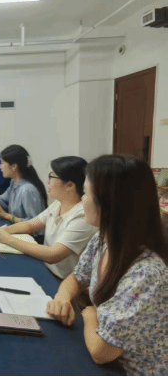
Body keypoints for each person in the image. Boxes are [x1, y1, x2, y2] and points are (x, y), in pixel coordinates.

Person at [47, 155, 168, 375]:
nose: (81, 200)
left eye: (85, 193)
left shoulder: (148, 274)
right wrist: (62, 297)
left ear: (110, 204)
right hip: (103, 349)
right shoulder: (103, 239)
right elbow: (77, 277)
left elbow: (101, 352)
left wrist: (89, 313)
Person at [0, 156, 97, 279]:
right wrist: (2, 230)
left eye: (52, 177)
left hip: (59, 280)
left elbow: (53, 255)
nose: (47, 182)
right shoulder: (58, 204)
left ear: (70, 185)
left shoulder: (82, 216)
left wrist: (7, 238)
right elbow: (30, 225)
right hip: (45, 268)